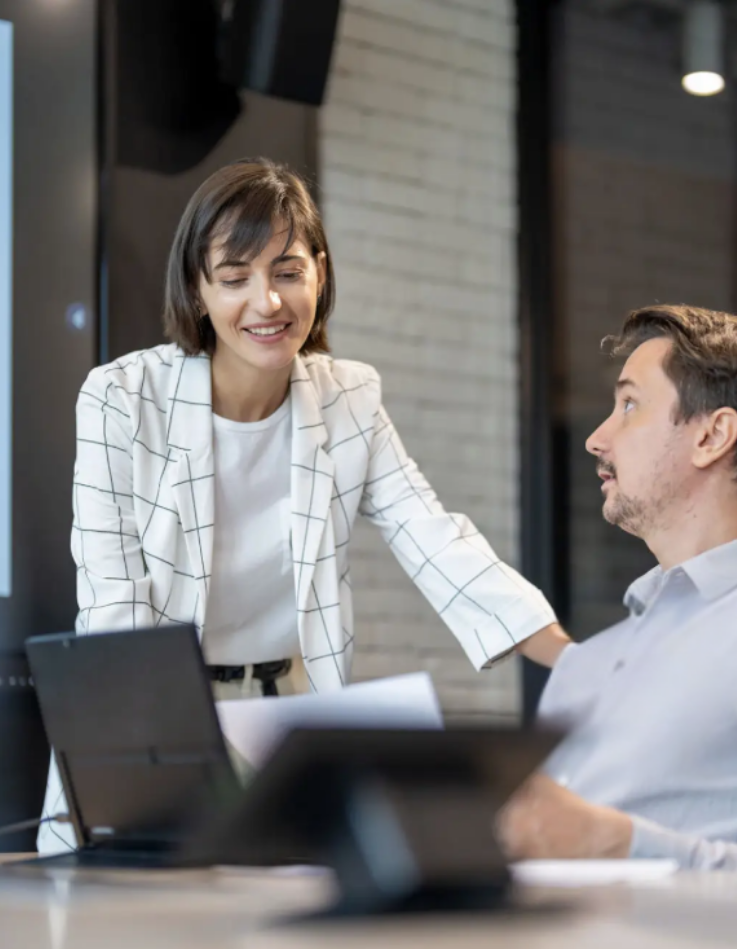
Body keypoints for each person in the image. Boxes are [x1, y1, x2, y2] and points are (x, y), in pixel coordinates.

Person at [38, 158, 568, 852]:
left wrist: (569, 657)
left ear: (319, 271)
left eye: (288, 271)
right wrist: (142, 756)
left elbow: (431, 534)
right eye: (234, 278)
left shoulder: (347, 397)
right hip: (158, 721)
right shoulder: (123, 397)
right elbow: (112, 603)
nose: (267, 303)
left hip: (282, 722)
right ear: (197, 290)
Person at [499, 304, 737, 873]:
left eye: (629, 405)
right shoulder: (588, 665)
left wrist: (618, 844)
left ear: (711, 435)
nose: (596, 439)